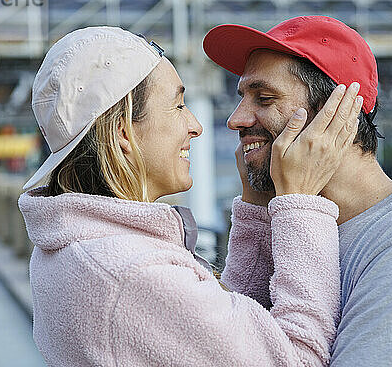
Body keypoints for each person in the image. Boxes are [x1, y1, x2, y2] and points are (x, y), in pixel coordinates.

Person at [18, 26, 362, 366]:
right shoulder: (133, 274)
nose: (196, 125)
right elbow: (298, 359)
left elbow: (219, 336)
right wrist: (299, 202)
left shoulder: (71, 247)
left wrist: (257, 208)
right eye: (179, 106)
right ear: (123, 132)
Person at [203, 15, 392, 366]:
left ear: (338, 111)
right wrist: (261, 211)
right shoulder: (298, 227)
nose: (236, 118)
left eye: (263, 98)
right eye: (242, 97)